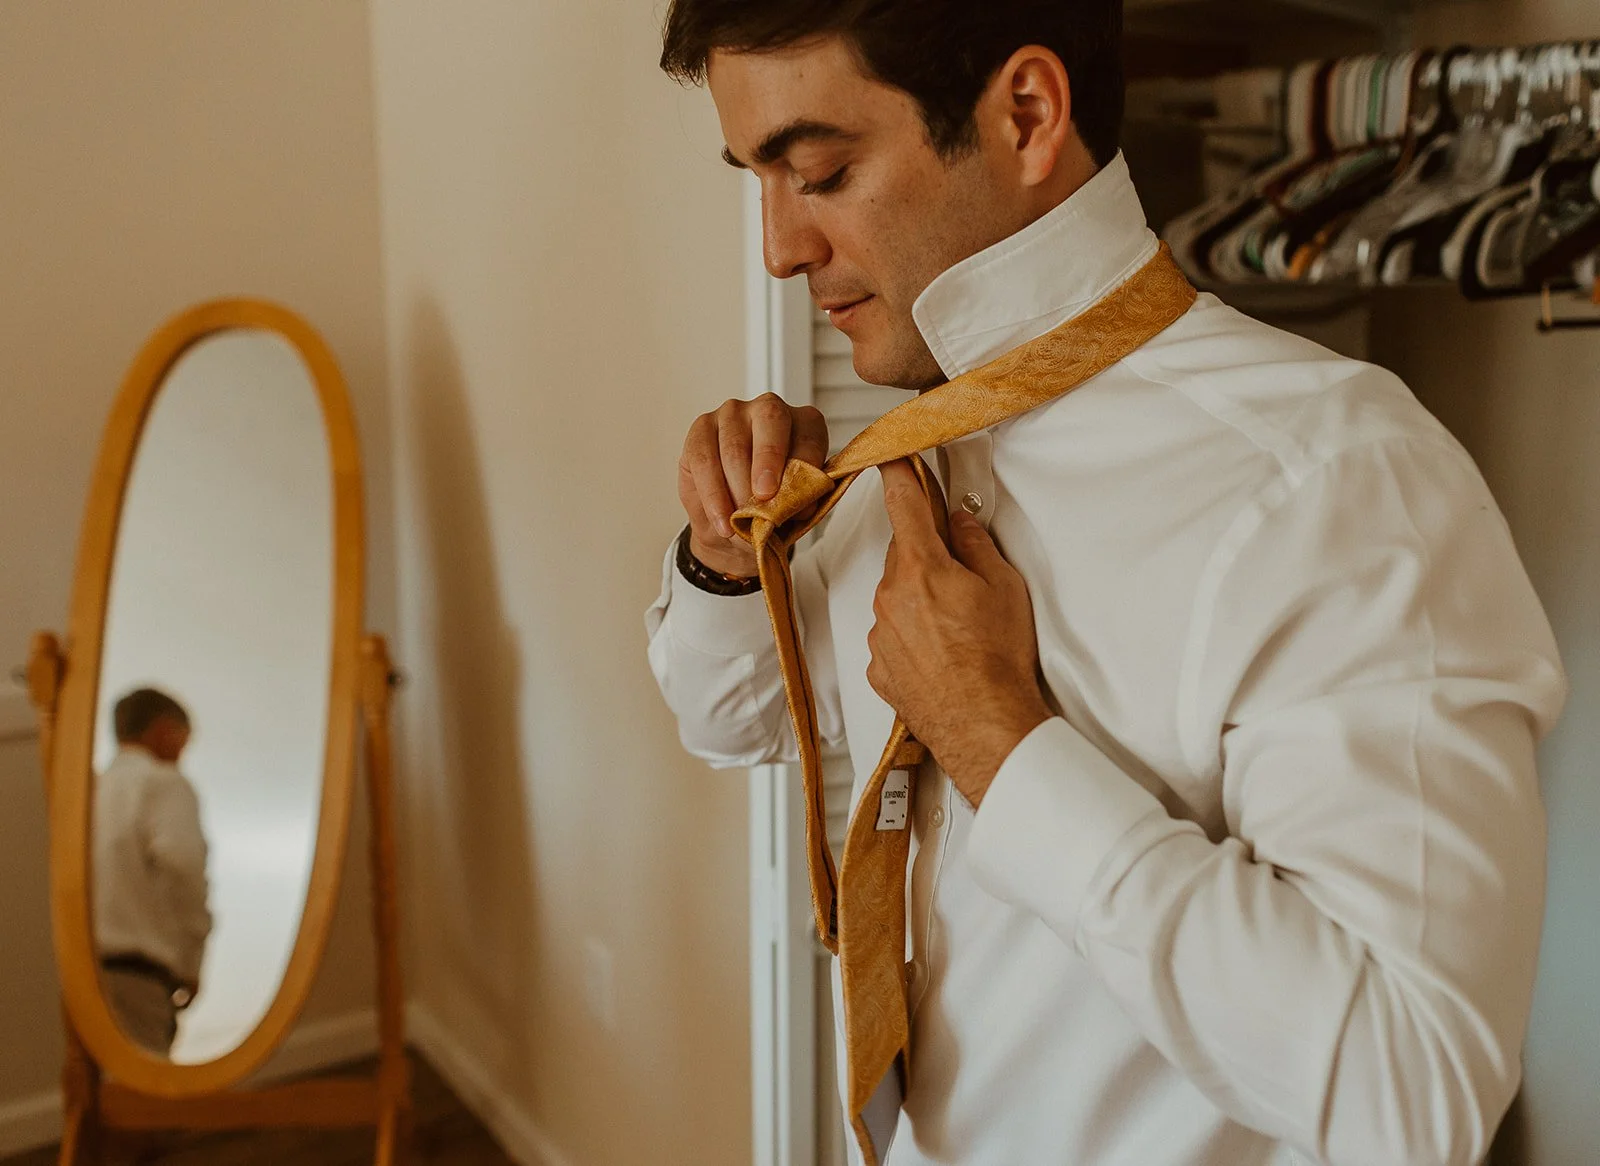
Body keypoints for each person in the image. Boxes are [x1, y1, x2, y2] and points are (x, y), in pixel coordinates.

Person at [645, 3, 1568, 1165]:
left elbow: (1414, 1092)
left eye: (818, 171)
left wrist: (1000, 738)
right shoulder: (919, 441)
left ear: (1025, 114)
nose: (779, 246)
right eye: (759, 180)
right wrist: (725, 560)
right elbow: (733, 717)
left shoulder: (1340, 483)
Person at [94, 687, 213, 1057]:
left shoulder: (89, 791)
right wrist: (192, 961)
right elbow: (183, 868)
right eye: (183, 739)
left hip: (82, 970)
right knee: (148, 1102)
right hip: (138, 974)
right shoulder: (163, 783)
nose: (182, 754)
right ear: (163, 730)